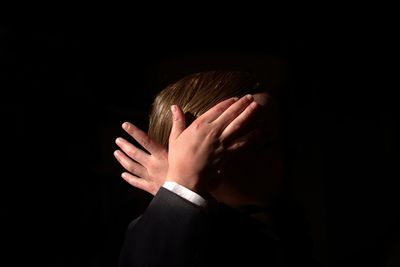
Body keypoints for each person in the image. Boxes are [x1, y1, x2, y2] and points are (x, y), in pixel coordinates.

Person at [114, 70, 317, 266]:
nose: (287, 154)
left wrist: (180, 190)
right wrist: (181, 186)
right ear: (200, 162)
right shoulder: (155, 239)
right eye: (263, 145)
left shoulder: (286, 222)